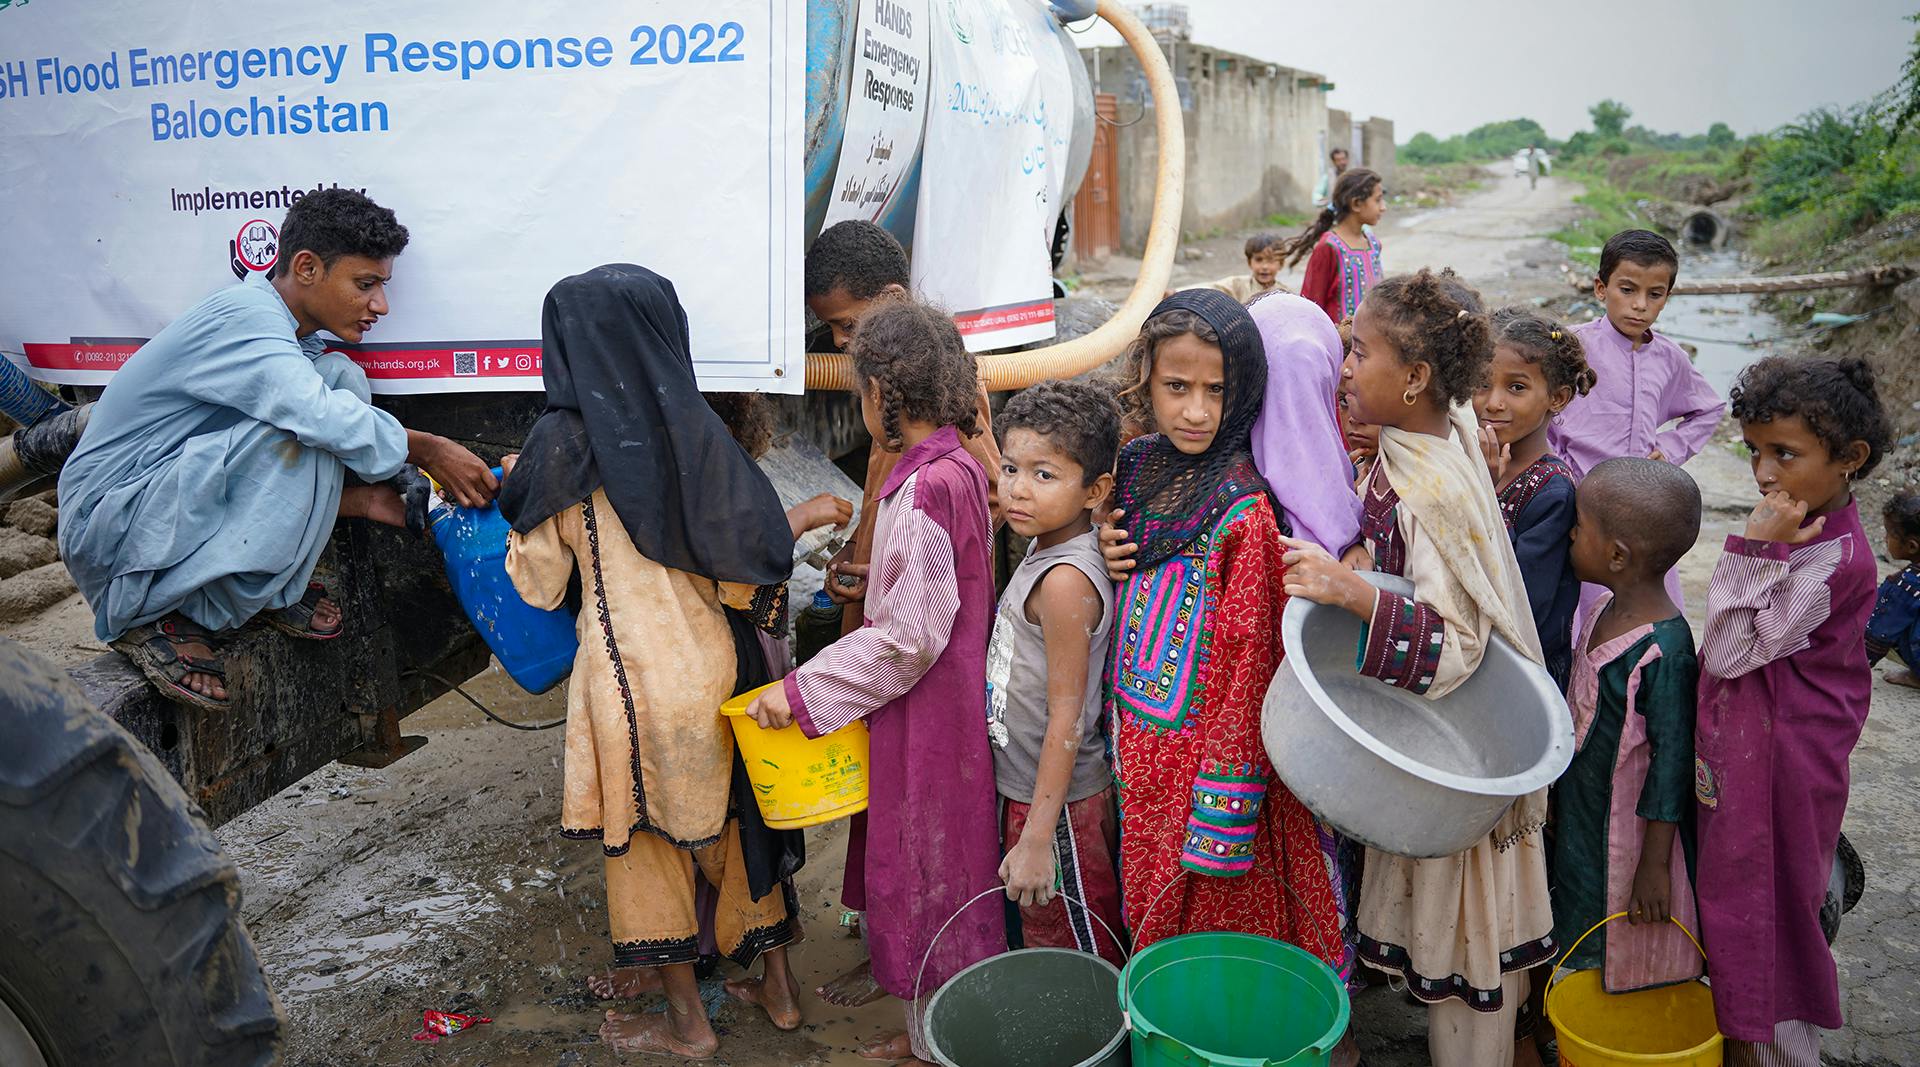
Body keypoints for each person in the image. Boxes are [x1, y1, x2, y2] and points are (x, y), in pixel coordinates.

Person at [500, 265, 818, 1058]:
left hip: (625, 683)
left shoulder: (557, 446)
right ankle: (779, 989)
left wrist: (518, 507)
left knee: (647, 846)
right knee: (736, 830)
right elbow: (752, 575)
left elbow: (539, 588)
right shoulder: (695, 431)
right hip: (713, 670)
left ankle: (686, 1024)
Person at [57, 189, 496, 711]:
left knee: (340, 378)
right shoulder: (246, 320)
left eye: (382, 284)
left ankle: (256, 591)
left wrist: (361, 500)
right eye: (366, 284)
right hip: (114, 527)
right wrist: (426, 448)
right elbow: (311, 417)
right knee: (315, 415)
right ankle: (158, 614)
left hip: (165, 499)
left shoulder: (293, 342)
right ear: (306, 267)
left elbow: (267, 456)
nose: (381, 304)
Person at [1278, 270, 1555, 1067]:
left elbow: (1457, 644)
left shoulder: (1425, 484)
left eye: (1360, 351)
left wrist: (1353, 590)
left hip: (1455, 769)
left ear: (1416, 379)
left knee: (1471, 957)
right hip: (1453, 748)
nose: (1344, 365)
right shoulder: (1441, 432)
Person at [746, 301, 1001, 1065]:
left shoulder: (924, 491)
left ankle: (934, 1044)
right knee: (945, 863)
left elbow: (908, 638)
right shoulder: (957, 469)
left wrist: (795, 693)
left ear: (883, 393)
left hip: (928, 718)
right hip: (947, 707)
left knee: (929, 866)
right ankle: (929, 1030)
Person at [1095, 291, 1346, 977]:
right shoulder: (1139, 467)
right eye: (1176, 387)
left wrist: (1224, 804)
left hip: (1203, 762)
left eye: (1217, 389)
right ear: (1146, 378)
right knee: (1146, 896)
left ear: (1246, 392)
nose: (1197, 410)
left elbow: (1248, 664)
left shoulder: (1245, 508)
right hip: (1137, 745)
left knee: (1212, 922)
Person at [1695, 356, 1888, 1066]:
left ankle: (1778, 1043)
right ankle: (1742, 1026)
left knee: (1768, 909)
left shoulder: (1833, 562)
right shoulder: (1810, 532)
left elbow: (1725, 649)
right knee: (1741, 893)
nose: (1765, 473)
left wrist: (1753, 546)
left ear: (1850, 460)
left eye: (1785, 453)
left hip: (1783, 768)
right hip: (1754, 750)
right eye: (1754, 451)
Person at [986, 380, 1125, 967]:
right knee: (1044, 936)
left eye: (1045, 475)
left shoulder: (1066, 580)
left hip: (1061, 808)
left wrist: (1039, 836)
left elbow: (1068, 714)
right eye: (1012, 467)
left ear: (1095, 491)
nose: (1019, 489)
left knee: (1075, 950)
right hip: (1032, 791)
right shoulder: (1047, 548)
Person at [1554, 457, 1705, 995]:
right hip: (1582, 804)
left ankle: (1611, 1012)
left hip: (1629, 830)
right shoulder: (1600, 613)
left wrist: (1655, 865)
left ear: (1617, 555)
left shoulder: (1665, 649)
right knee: (1578, 901)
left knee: (1618, 914)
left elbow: (1672, 764)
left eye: (1579, 527)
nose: (1569, 534)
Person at [1551, 230, 1722, 617]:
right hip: (1579, 503)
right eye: (1627, 290)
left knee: (1642, 601)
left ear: (1667, 297)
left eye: (1654, 294)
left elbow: (1708, 408)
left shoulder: (1670, 358)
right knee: (1579, 606)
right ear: (1601, 287)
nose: (1639, 306)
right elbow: (1542, 412)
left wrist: (1671, 450)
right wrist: (1555, 469)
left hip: (1642, 505)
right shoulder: (1572, 348)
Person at [1474, 309, 1595, 689]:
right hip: (1473, 654)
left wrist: (1487, 499)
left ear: (1557, 398)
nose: (1492, 403)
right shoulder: (1467, 458)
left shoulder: (1552, 492)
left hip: (1520, 674)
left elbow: (1524, 606)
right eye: (1481, 383)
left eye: (1516, 388)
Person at [1248, 292, 1366, 562]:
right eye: (1282, 384)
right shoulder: (1349, 502)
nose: (1295, 407)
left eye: (1309, 381)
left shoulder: (1362, 475)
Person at [1286, 168, 1386, 326]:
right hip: (1338, 346)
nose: (1383, 207)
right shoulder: (1329, 247)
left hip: (1372, 342)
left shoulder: (1373, 244)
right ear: (1357, 204)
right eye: (1378, 200)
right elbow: (1310, 306)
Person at [1864, 488, 1920, 687]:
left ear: (1912, 546)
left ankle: (1917, 676)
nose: (1886, 539)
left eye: (1889, 534)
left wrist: (1853, 669)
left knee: (1887, 610)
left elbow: (1877, 637)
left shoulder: (1905, 585)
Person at [1197, 233, 1288, 304]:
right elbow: (1207, 289)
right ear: (1249, 262)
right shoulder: (1236, 285)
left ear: (1281, 264)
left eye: (1271, 260)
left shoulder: (1285, 293)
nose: (1264, 266)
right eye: (1258, 260)